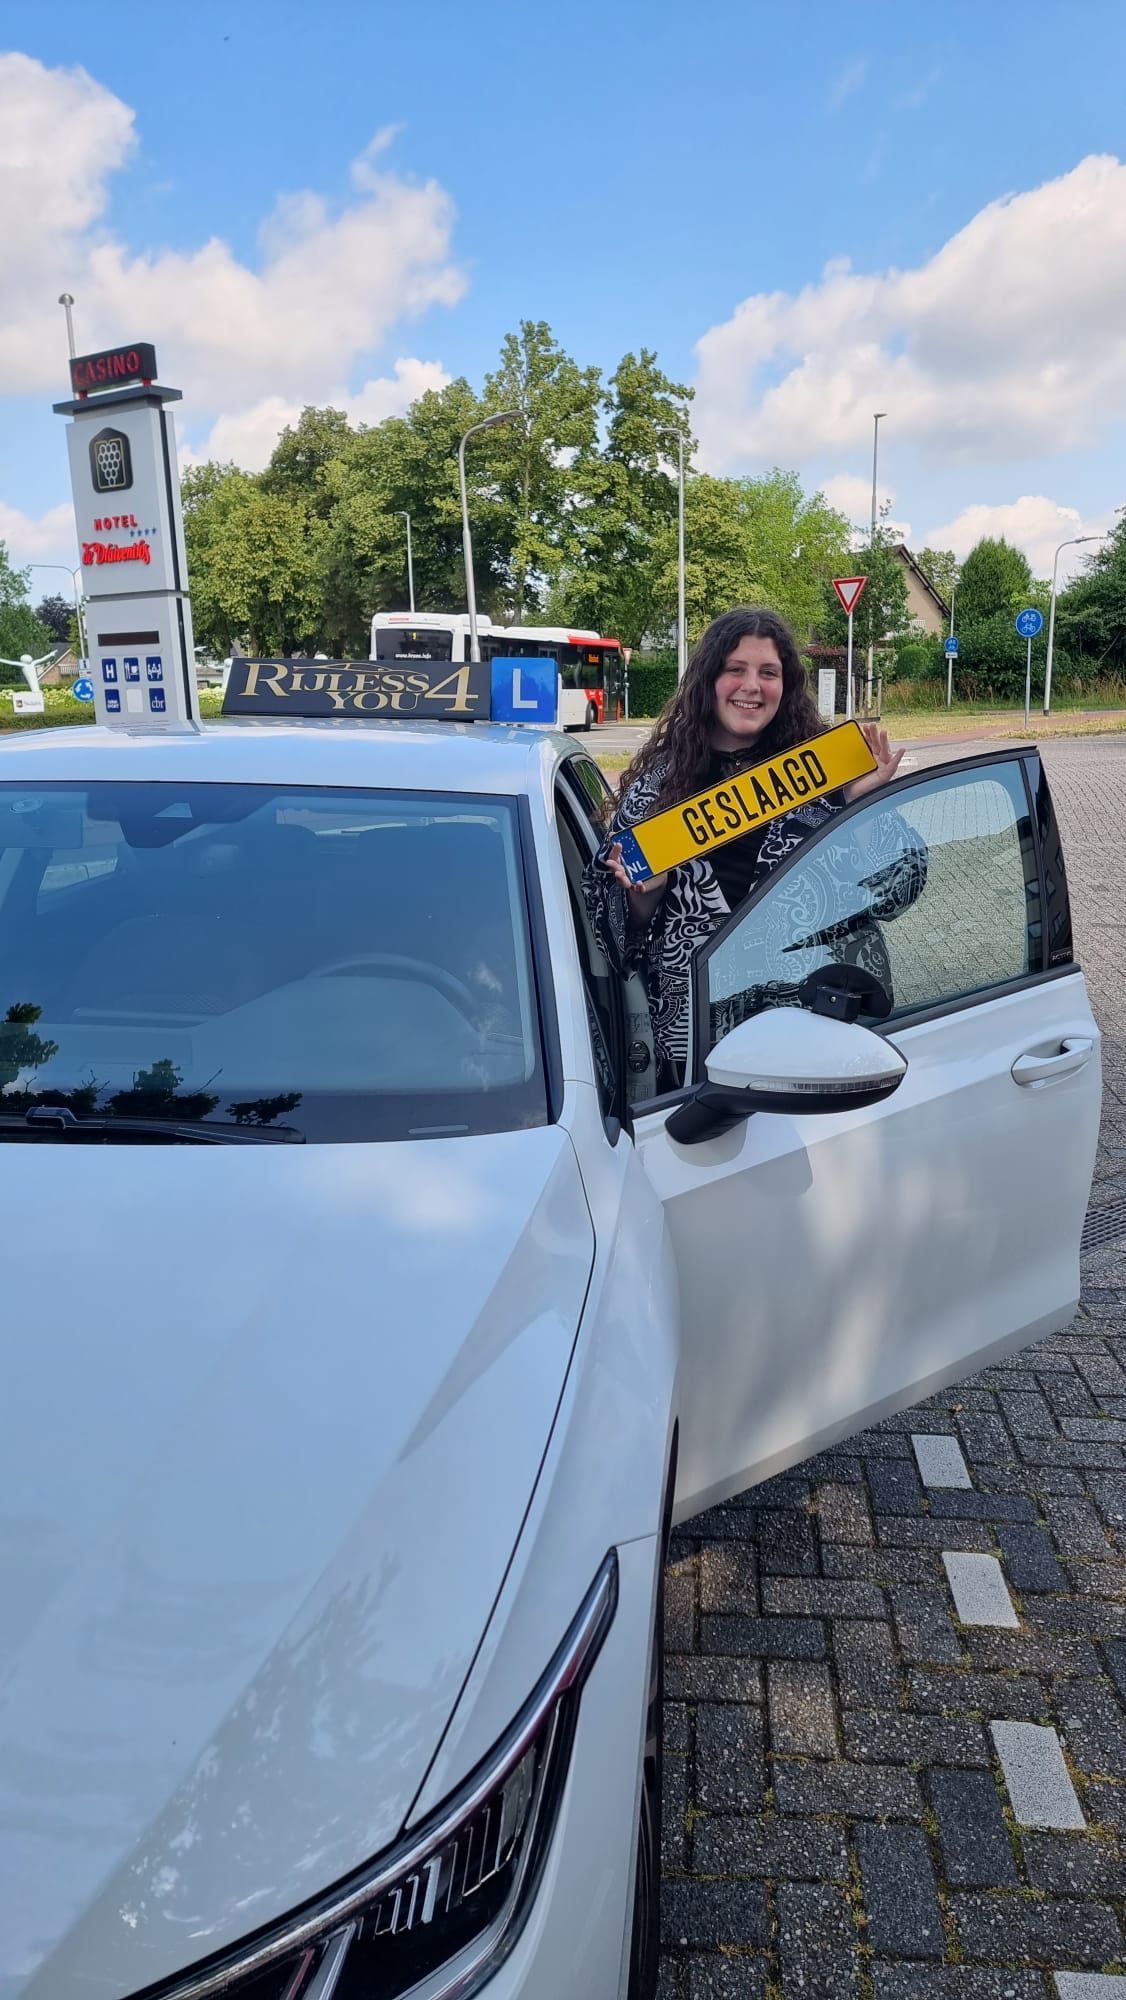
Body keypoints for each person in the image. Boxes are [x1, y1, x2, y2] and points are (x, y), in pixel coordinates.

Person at [585, 607, 927, 1091]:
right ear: (709, 680)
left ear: (786, 686)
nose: (751, 686)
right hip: (695, 1042)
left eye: (768, 672)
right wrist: (648, 893)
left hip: (819, 1031)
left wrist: (861, 813)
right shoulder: (655, 790)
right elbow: (609, 934)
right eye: (735, 669)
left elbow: (902, 890)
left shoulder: (829, 772)